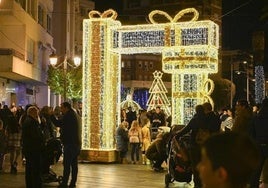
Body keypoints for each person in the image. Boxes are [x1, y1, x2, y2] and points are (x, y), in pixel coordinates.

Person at [51, 102, 81, 188]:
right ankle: (73, 183)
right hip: (76, 143)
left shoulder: (68, 116)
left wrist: (51, 115)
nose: (61, 109)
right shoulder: (74, 115)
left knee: (67, 164)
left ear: (66, 107)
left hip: (70, 144)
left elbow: (58, 123)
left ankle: (64, 183)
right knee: (74, 165)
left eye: (62, 107)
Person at [175, 104, 206, 188]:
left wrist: (177, 135)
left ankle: (197, 183)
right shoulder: (207, 119)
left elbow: (186, 129)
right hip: (205, 145)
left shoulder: (195, 120)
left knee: (195, 165)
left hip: (195, 145)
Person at [22, 106, 45, 188]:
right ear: (33, 112)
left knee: (29, 168)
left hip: (29, 149)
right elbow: (35, 136)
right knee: (35, 169)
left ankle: (30, 184)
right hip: (34, 150)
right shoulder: (32, 122)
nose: (37, 114)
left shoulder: (27, 121)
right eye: (36, 112)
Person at [250, 98, 268, 188]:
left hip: (259, 145)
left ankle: (253, 185)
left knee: (257, 169)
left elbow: (252, 133)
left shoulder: (256, 117)